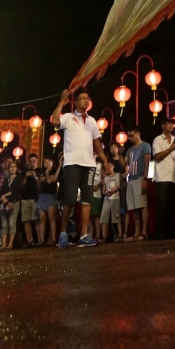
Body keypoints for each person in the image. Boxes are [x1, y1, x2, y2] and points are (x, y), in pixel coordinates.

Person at [50, 88, 109, 249]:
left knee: (87, 199)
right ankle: (63, 233)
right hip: (72, 164)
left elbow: (97, 143)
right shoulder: (68, 117)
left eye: (87, 98)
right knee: (69, 199)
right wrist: (63, 99)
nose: (85, 100)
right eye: (82, 98)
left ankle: (83, 235)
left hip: (89, 165)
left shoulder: (92, 121)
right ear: (75, 102)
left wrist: (105, 161)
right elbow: (54, 121)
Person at [152, 118, 175, 239]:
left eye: (172, 124)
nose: (171, 125)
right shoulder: (157, 139)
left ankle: (169, 231)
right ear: (163, 125)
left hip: (172, 175)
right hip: (161, 176)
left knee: (170, 205)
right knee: (161, 205)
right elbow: (157, 156)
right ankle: (159, 232)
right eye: (168, 123)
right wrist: (170, 149)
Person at [123, 129, 151, 241]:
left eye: (131, 135)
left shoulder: (145, 146)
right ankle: (137, 231)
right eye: (128, 136)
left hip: (140, 177)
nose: (130, 138)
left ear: (138, 133)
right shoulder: (130, 149)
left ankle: (144, 231)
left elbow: (147, 162)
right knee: (134, 207)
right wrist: (120, 153)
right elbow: (124, 163)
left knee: (142, 204)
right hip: (131, 178)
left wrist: (145, 178)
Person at [101, 144, 125, 241]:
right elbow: (103, 189)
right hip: (107, 199)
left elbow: (119, 185)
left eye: (111, 166)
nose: (109, 167)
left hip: (115, 198)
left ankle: (119, 235)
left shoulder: (118, 175)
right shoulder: (106, 177)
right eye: (108, 166)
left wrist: (114, 189)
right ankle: (104, 236)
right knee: (104, 218)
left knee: (116, 218)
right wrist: (105, 193)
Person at [36, 154, 62, 244]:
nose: (46, 163)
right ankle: (42, 239)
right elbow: (38, 186)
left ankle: (53, 238)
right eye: (45, 162)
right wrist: (39, 180)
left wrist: (47, 174)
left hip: (51, 195)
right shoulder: (42, 172)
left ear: (52, 162)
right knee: (41, 218)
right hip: (42, 195)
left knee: (51, 218)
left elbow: (52, 180)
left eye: (48, 161)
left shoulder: (54, 171)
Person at [0, 159, 23, 249]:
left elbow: (16, 190)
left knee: (12, 223)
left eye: (14, 167)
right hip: (5, 203)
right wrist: (2, 197)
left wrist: (5, 195)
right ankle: (4, 243)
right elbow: (2, 190)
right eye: (11, 167)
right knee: (4, 223)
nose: (12, 169)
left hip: (14, 202)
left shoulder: (18, 178)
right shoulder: (6, 180)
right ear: (8, 169)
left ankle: (10, 243)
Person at [19, 154, 40, 245]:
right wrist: (26, 176)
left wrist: (35, 177)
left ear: (37, 161)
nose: (32, 163)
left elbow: (40, 185)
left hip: (35, 198)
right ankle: (29, 240)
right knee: (26, 220)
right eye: (31, 161)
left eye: (34, 161)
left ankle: (39, 240)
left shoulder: (39, 171)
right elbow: (21, 186)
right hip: (25, 198)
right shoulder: (24, 172)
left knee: (36, 220)